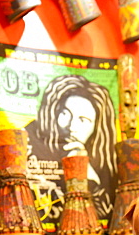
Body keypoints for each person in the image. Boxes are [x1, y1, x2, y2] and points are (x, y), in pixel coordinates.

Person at [25, 74, 117, 224]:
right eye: (65, 114)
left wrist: (87, 172)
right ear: (53, 113)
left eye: (83, 120)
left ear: (96, 128)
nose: (71, 127)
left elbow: (104, 216)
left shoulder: (101, 165)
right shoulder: (27, 142)